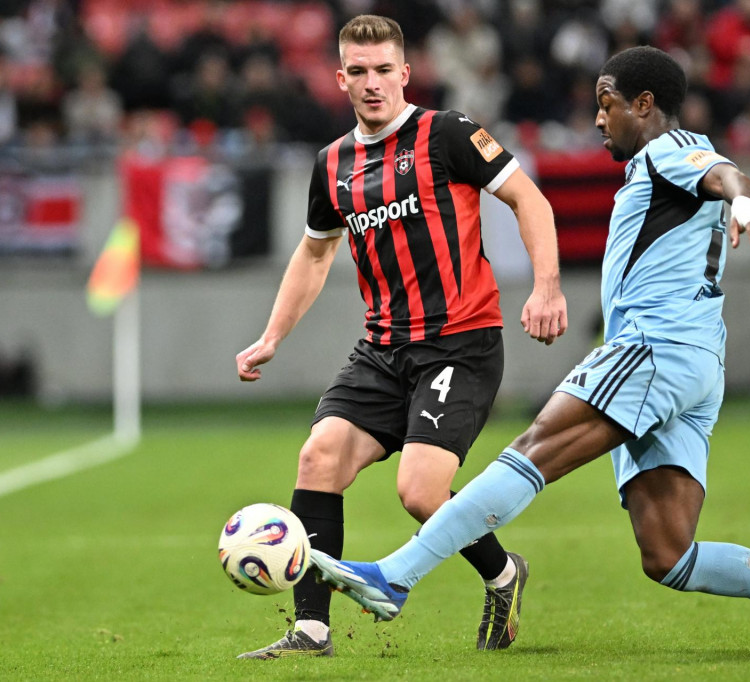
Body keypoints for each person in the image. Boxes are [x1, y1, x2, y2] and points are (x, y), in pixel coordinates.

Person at [309, 45, 750, 653]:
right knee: (669, 555)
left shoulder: (671, 150)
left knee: (531, 451)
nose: (597, 119)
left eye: (606, 105)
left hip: (653, 350)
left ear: (643, 104)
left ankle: (395, 577)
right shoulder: (656, 167)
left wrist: (744, 201)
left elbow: (727, 175)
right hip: (696, 364)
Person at [234, 14, 567, 659]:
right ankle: (311, 629)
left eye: (384, 69)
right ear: (340, 79)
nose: (372, 83)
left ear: (405, 73)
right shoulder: (332, 163)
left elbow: (531, 200)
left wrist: (546, 287)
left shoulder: (449, 135)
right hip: (383, 349)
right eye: (357, 72)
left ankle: (503, 576)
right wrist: (272, 335)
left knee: (419, 493)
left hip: (460, 341)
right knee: (318, 457)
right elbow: (313, 255)